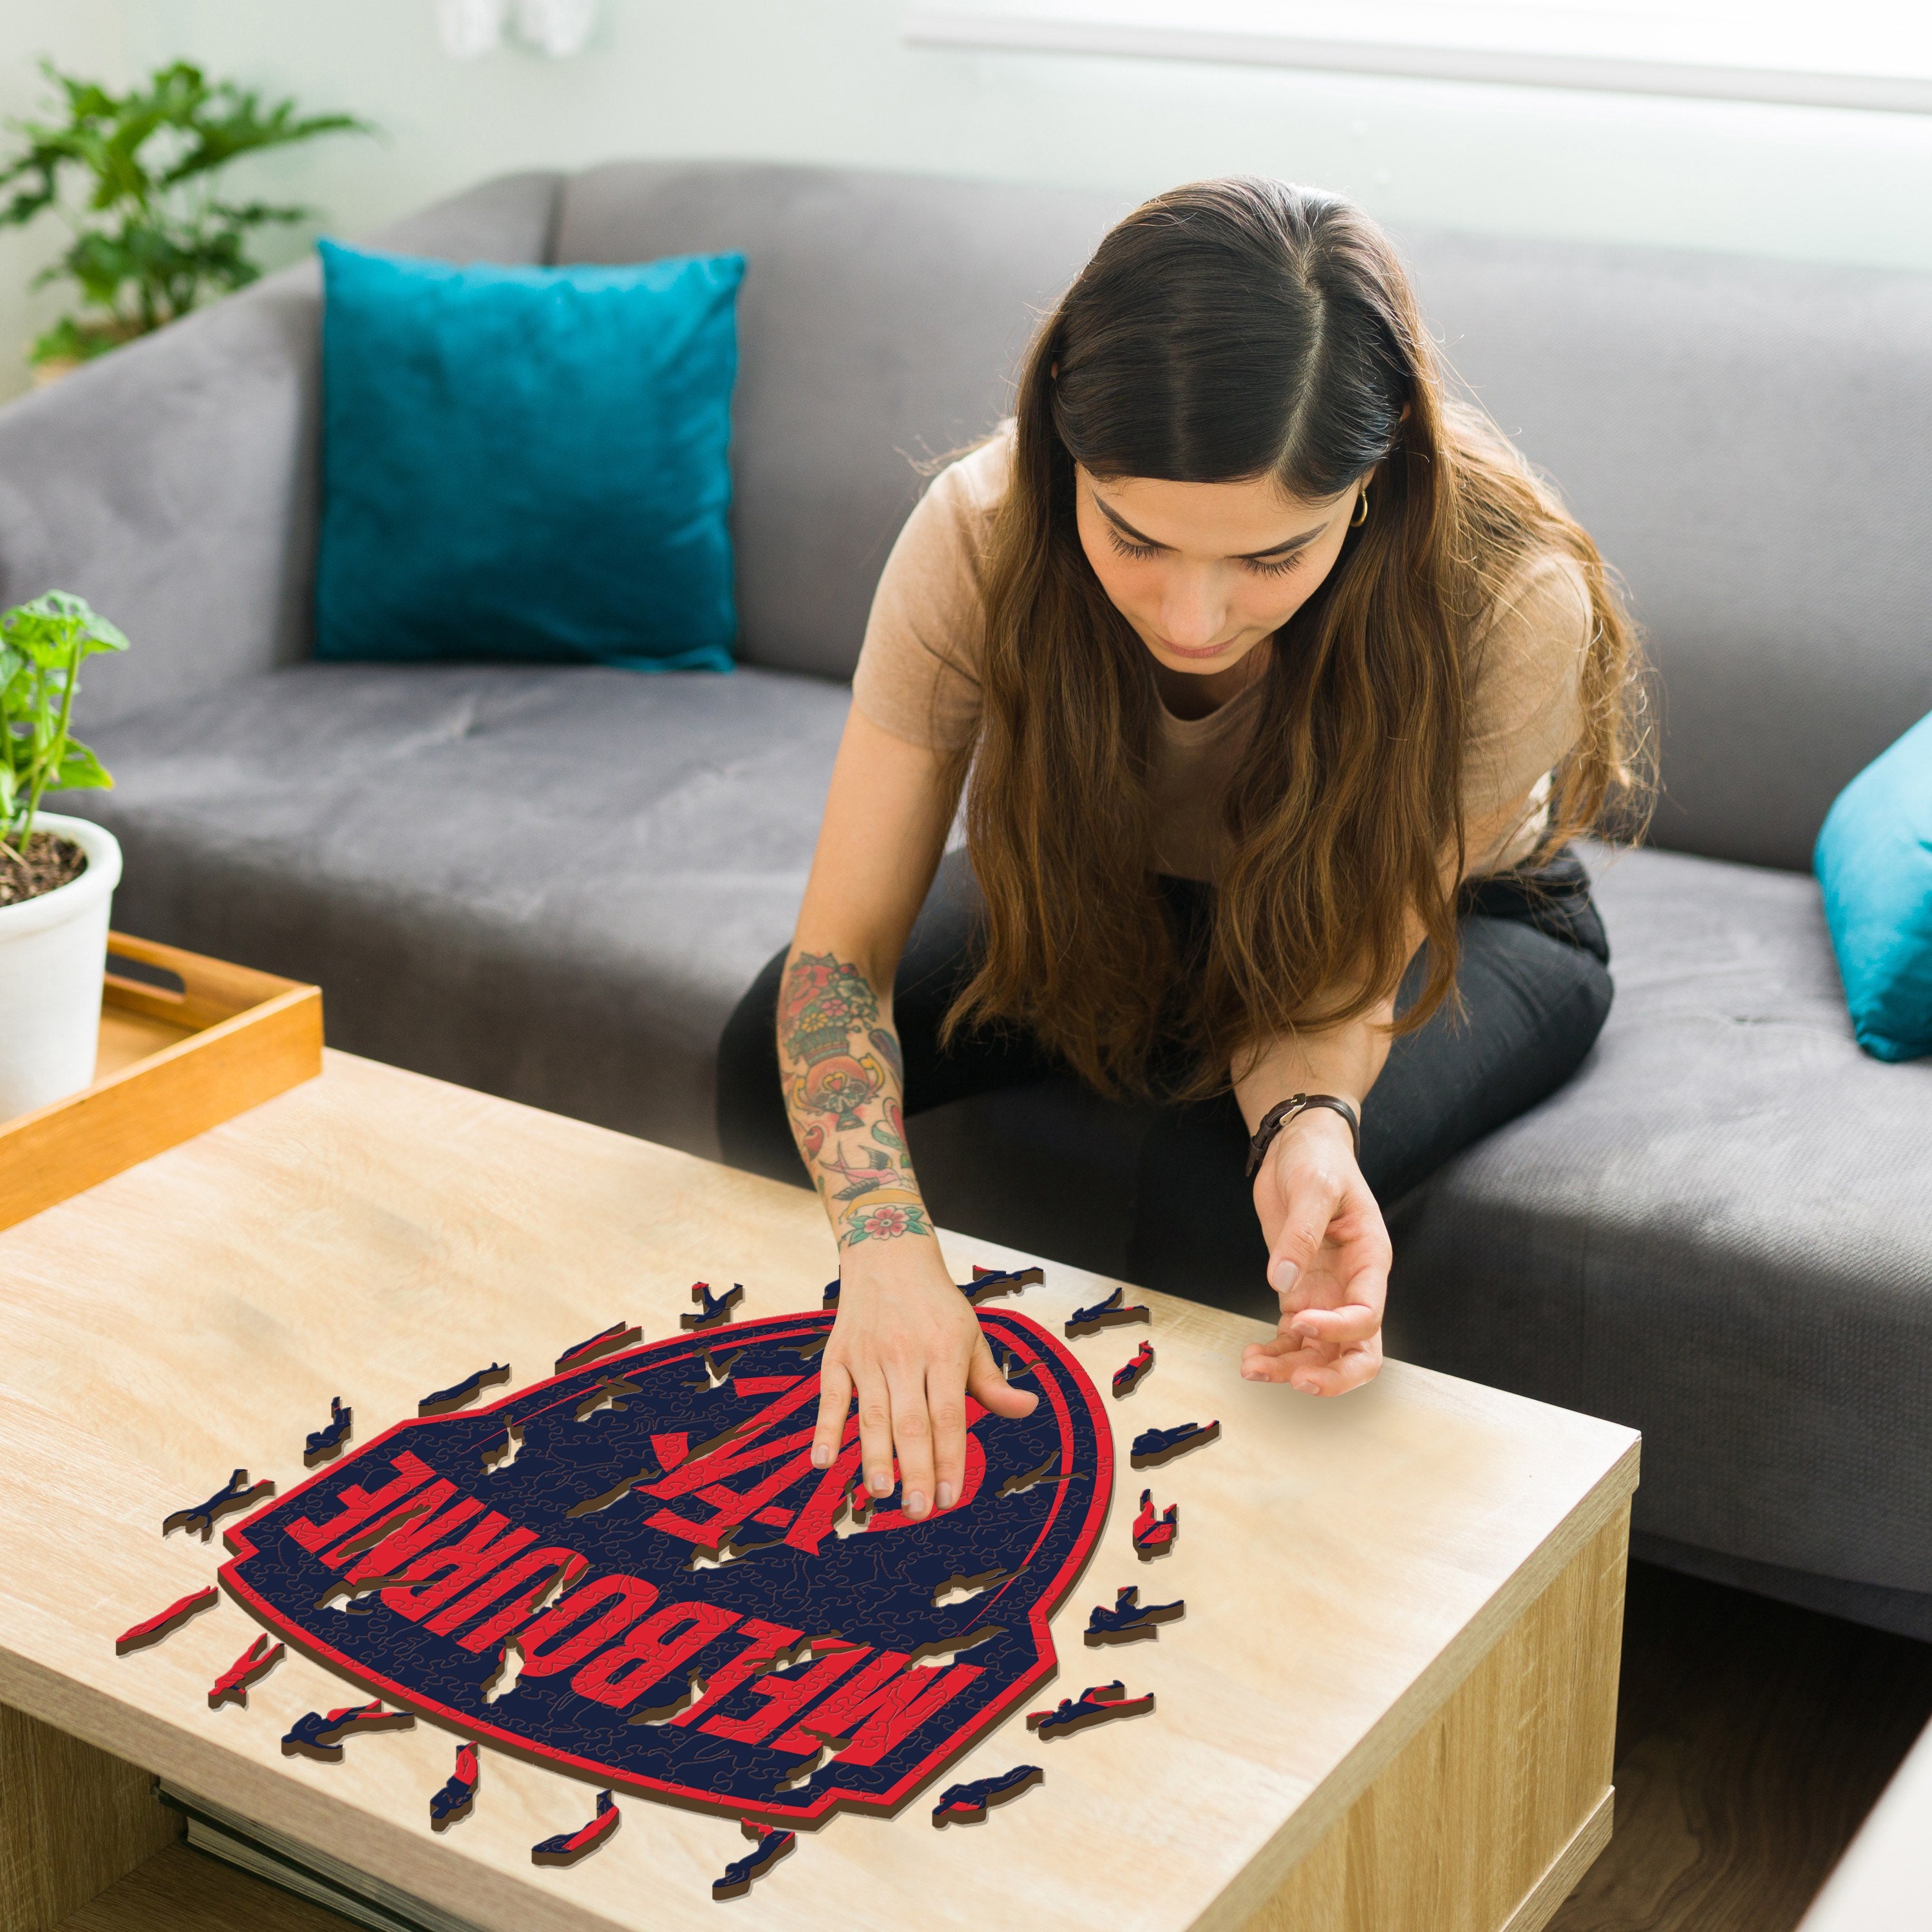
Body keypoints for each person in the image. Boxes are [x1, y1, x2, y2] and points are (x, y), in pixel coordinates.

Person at [716, 176, 1645, 1530]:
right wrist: (885, 1245)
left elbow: (1329, 981)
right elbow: (836, 957)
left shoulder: (1505, 601)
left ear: (1374, 481)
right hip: (1123, 893)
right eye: (1133, 538)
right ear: (1062, 456)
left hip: (1475, 923)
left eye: (1271, 558)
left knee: (1229, 1186)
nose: (1194, 618)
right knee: (766, 1059)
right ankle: (848, 1420)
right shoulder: (983, 530)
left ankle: (1172, 1559)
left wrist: (1309, 1130)